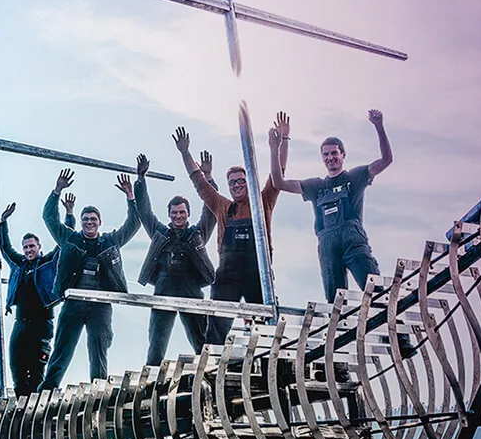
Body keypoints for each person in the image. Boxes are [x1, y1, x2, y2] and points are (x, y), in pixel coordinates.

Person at [175, 112, 290, 343]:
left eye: (240, 181)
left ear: (249, 182)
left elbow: (278, 174)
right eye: (232, 183)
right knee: (216, 326)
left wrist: (279, 144)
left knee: (266, 325)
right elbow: (199, 182)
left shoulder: (262, 202)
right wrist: (185, 152)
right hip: (227, 276)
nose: (236, 185)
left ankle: (271, 359)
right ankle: (211, 360)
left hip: (258, 274)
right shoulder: (222, 206)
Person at [268, 109, 394, 303]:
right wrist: (276, 145)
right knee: (335, 303)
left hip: (353, 242)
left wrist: (379, 126)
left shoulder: (355, 177)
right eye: (325, 154)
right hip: (328, 248)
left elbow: (386, 160)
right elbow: (278, 182)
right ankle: (340, 323)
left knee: (375, 292)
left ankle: (390, 321)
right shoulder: (315, 186)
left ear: (343, 155)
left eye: (334, 153)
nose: (330, 157)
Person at [39, 160, 143, 390]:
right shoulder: (70, 239)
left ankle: (98, 390)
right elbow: (50, 219)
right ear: (82, 222)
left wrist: (130, 197)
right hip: (74, 303)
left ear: (99, 222)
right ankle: (48, 389)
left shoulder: (110, 241)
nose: (89, 222)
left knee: (98, 349)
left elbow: (133, 224)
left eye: (93, 219)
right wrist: (57, 191)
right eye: (85, 219)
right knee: (62, 348)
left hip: (100, 305)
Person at [132, 166, 215, 363]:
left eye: (182, 212)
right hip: (164, 289)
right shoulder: (160, 233)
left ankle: (209, 372)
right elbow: (144, 212)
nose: (178, 216)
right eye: (174, 213)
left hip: (191, 290)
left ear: (188, 213)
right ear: (169, 214)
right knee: (157, 341)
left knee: (201, 340)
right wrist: (141, 179)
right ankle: (152, 374)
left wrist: (208, 178)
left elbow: (210, 212)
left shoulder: (197, 234)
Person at [0, 196, 76, 395]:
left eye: (32, 246)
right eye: (25, 247)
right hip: (20, 323)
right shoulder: (19, 265)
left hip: (41, 324)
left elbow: (64, 242)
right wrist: (3, 222)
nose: (28, 250)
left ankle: (36, 407)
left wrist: (69, 215)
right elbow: (5, 249)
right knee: (17, 369)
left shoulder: (47, 262)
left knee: (36, 371)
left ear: (39, 247)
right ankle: (20, 407)